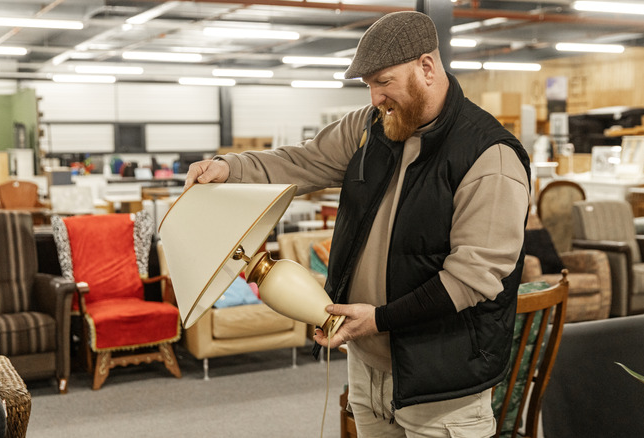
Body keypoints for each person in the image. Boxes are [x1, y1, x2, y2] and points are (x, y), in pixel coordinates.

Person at [185, 11, 531, 438]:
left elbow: (472, 279)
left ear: (426, 67)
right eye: (368, 86)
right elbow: (301, 161)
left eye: (383, 82)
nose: (374, 98)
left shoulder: (488, 156)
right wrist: (229, 168)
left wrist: (379, 319)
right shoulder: (370, 129)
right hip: (368, 365)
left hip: (442, 379)